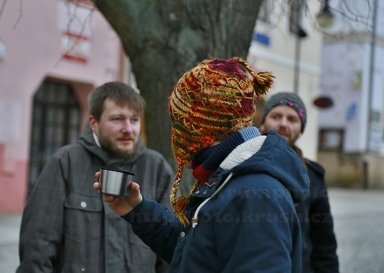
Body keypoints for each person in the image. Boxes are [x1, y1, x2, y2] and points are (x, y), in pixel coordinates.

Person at [94, 57, 310, 272]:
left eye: (179, 123)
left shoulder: (254, 195)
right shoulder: (228, 178)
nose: (175, 135)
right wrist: (137, 209)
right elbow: (193, 254)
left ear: (201, 129)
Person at [17, 81, 175, 273]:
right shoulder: (64, 163)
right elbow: (37, 249)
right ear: (94, 123)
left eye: (134, 120)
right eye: (117, 119)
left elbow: (169, 255)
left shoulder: (157, 169)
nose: (128, 128)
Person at [259, 92, 339, 273]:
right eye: (276, 116)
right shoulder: (241, 165)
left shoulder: (313, 177)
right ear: (263, 122)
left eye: (292, 119)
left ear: (301, 130)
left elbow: (324, 243)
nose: (283, 124)